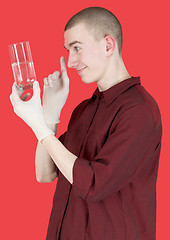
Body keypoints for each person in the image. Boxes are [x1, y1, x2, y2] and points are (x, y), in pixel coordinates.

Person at [10, 6, 162, 240]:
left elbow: (94, 183)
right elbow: (45, 172)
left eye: (77, 48)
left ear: (108, 45)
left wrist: (36, 123)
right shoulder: (84, 109)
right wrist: (50, 114)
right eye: (68, 51)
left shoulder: (139, 110)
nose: (70, 62)